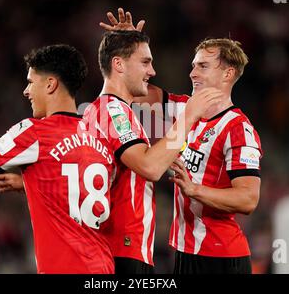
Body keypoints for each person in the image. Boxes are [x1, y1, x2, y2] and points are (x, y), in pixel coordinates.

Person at [102, 9, 263, 274]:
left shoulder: (238, 129)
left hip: (221, 257)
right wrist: (124, 49)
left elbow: (248, 199)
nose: (192, 73)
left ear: (227, 74)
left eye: (202, 66)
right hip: (185, 252)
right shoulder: (182, 110)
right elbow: (124, 89)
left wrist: (195, 190)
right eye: (192, 66)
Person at [0, 44, 116, 274]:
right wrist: (31, 185)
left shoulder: (34, 133)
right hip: (104, 270)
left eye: (31, 82)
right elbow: (81, 191)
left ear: (51, 84)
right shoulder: (100, 136)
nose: (26, 90)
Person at [81, 29, 223, 274]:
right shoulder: (112, 111)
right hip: (122, 248)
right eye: (145, 62)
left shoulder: (102, 110)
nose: (152, 71)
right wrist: (189, 116)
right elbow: (151, 167)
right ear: (119, 64)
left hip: (116, 248)